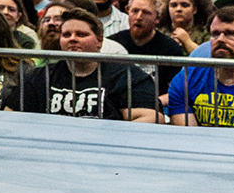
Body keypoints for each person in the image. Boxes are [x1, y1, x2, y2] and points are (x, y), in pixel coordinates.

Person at [19, 7, 157, 121]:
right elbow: (15, 113)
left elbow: (150, 117)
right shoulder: (41, 75)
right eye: (66, 35)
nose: (72, 39)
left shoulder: (126, 76)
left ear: (99, 41)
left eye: (81, 34)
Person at [167, 7, 234, 129]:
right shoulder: (186, 79)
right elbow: (187, 136)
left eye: (231, 34)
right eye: (215, 34)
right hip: (200, 141)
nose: (220, 39)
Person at [111, 0, 186, 96]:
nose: (138, 17)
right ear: (127, 11)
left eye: (146, 12)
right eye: (135, 11)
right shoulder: (113, 43)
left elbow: (177, 91)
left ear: (157, 18)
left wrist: (155, 102)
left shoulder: (170, 48)